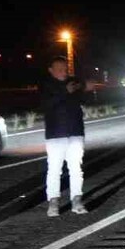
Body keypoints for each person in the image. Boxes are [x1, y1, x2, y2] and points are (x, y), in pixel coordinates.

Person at [41, 55, 87, 216]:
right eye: (59, 69)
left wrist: (83, 87)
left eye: (65, 69)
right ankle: (53, 202)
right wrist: (64, 91)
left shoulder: (74, 83)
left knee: (76, 168)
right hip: (55, 134)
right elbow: (46, 104)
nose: (63, 72)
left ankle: (77, 200)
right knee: (54, 169)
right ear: (51, 70)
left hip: (75, 132)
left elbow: (84, 96)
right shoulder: (46, 85)